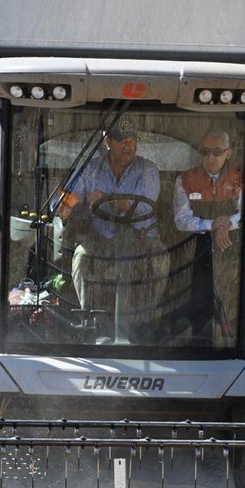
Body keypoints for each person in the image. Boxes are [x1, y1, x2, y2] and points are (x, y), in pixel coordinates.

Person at [56, 116, 169, 341]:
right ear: (108, 141)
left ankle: (146, 319)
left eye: (132, 139)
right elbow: (68, 197)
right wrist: (64, 206)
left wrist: (107, 199)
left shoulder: (148, 169)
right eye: (121, 140)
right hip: (100, 238)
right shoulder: (90, 168)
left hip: (141, 240)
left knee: (160, 257)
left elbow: (141, 204)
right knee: (81, 257)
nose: (128, 145)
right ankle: (91, 319)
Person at [172, 129, 242, 342]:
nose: (210, 158)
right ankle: (196, 343)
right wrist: (214, 224)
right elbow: (181, 220)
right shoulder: (185, 179)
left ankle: (226, 341)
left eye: (217, 151)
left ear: (228, 153)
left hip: (231, 247)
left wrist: (226, 225)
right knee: (194, 296)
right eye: (205, 151)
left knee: (229, 299)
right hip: (194, 246)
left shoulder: (240, 179)